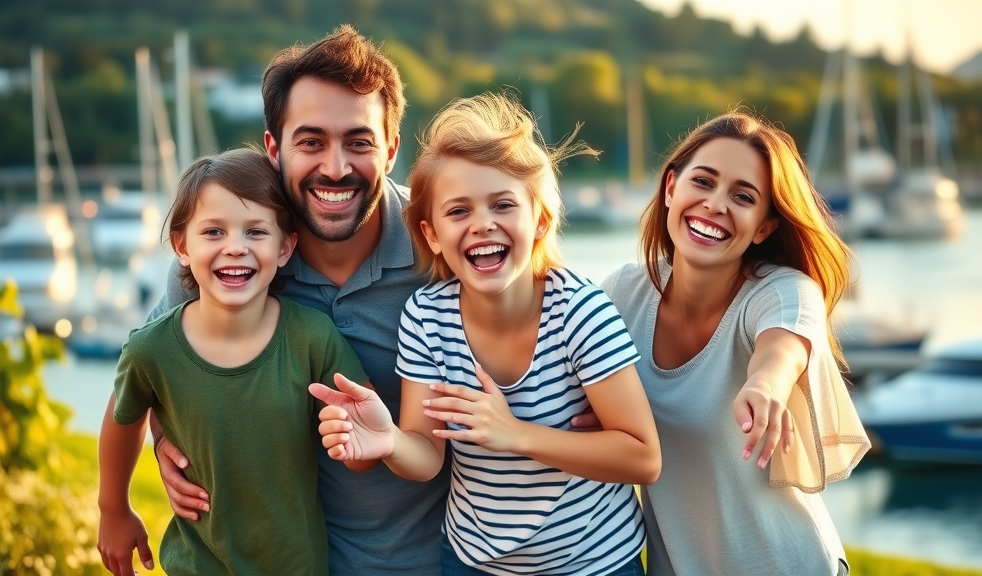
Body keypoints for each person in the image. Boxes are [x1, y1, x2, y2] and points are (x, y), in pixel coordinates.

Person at [132, 25, 453, 575]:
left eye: (359, 142)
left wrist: (580, 397)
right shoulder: (227, 264)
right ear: (274, 148)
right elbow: (159, 377)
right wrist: (169, 446)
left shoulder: (443, 247)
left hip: (424, 560)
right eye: (311, 142)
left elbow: (538, 283)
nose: (335, 168)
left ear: (392, 149)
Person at [310, 92, 661, 576]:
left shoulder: (579, 312)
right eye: (458, 212)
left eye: (502, 204)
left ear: (538, 220)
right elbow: (427, 455)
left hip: (593, 563)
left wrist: (516, 434)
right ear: (432, 235)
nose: (482, 224)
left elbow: (643, 457)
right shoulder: (427, 317)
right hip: (473, 563)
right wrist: (389, 439)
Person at [600, 110, 871, 576]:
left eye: (743, 196)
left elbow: (782, 350)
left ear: (764, 227)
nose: (715, 204)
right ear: (670, 189)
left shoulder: (781, 291)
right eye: (703, 182)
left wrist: (765, 385)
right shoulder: (623, 294)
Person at [96, 147, 368, 576]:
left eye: (256, 232)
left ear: (285, 247)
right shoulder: (152, 350)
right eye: (214, 232)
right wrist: (113, 508)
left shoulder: (312, 338)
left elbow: (365, 439)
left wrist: (353, 442)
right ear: (181, 246)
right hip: (195, 565)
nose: (235, 248)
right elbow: (123, 416)